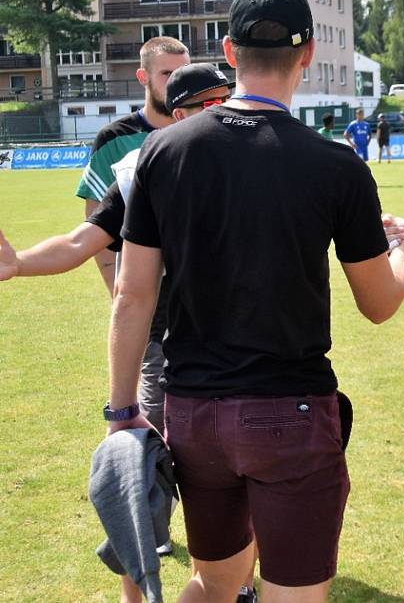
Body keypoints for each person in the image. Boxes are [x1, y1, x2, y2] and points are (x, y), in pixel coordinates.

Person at [104, 0, 404, 603]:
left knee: (215, 582)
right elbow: (379, 304)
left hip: (193, 414)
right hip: (291, 413)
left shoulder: (163, 151)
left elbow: (133, 296)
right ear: (307, 56)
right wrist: (403, 250)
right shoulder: (336, 165)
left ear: (228, 50)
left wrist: (121, 411)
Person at [0, 63, 237, 603]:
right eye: (207, 105)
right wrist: (18, 265)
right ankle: (136, 592)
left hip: (246, 349)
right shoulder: (146, 168)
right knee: (140, 477)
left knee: (236, 482)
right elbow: (83, 240)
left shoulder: (260, 155)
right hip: (165, 347)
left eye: (226, 98)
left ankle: (237, 585)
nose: (220, 113)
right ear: (178, 117)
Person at [75, 36, 190, 295]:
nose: (176, 82)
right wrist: (115, 289)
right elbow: (97, 221)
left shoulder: (205, 132)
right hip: (141, 287)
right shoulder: (114, 139)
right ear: (142, 77)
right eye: (166, 73)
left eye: (182, 73)